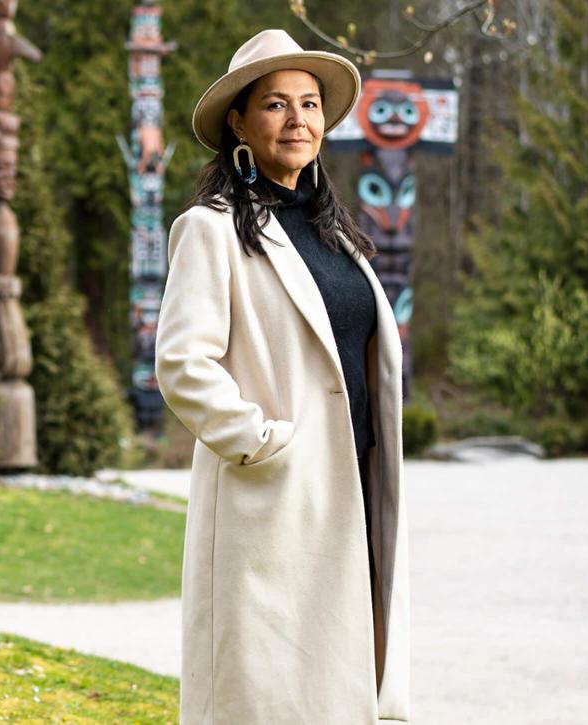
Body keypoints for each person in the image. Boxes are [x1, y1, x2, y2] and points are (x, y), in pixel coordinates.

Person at [155, 29, 412, 724]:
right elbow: (181, 361)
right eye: (275, 104)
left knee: (335, 683)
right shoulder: (211, 230)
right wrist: (262, 442)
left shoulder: (337, 233)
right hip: (271, 494)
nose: (297, 119)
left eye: (309, 103)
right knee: (266, 691)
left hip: (350, 487)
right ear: (238, 121)